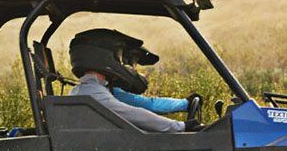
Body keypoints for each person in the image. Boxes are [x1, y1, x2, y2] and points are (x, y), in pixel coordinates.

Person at [68, 29, 203, 133]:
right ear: (102, 57)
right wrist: (181, 126)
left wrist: (184, 106)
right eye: (118, 58)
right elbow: (135, 114)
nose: (121, 65)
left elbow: (143, 107)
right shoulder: (93, 93)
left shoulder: (92, 90)